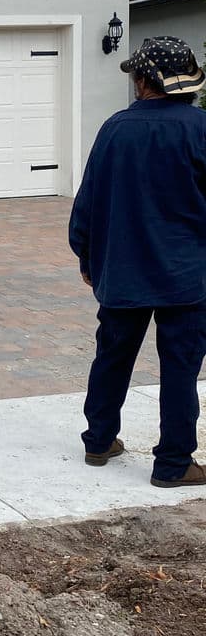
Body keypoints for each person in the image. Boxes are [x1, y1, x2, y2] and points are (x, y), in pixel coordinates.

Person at [69, 36, 206, 487]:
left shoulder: (115, 128)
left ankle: (99, 440)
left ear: (147, 80)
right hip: (187, 276)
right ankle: (172, 464)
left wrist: (86, 254)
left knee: (112, 357)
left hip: (123, 272)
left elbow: (88, 200)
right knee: (181, 369)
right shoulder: (200, 128)